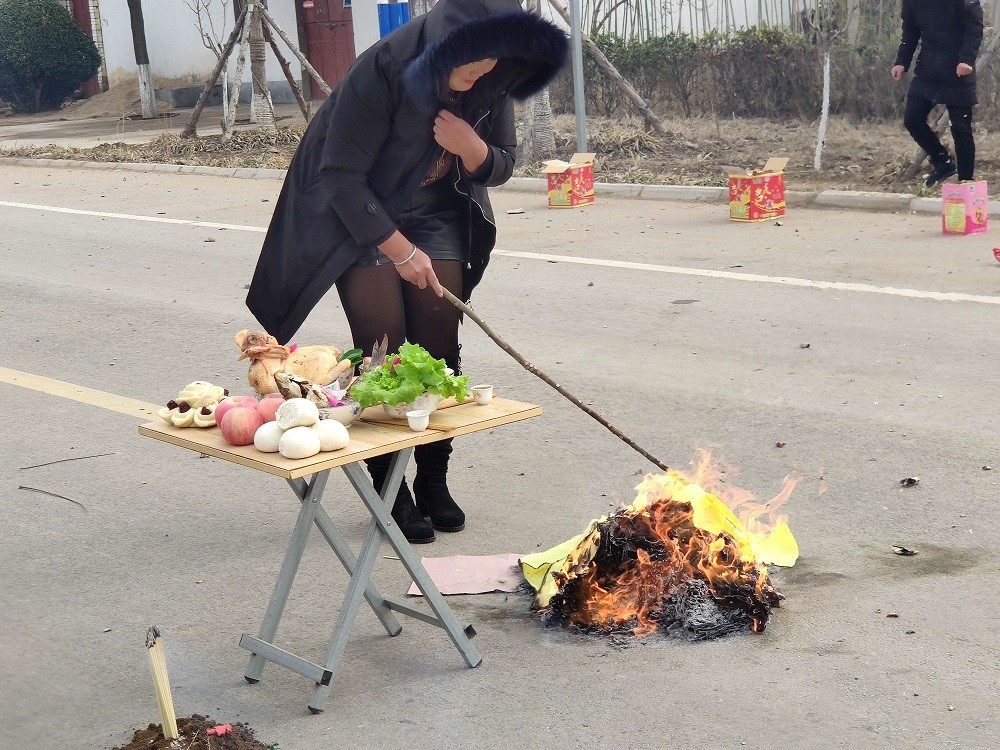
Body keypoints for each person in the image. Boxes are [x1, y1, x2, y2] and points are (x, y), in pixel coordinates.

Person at [245, 0, 568, 543]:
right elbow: (340, 175)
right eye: (470, 60)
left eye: (492, 59)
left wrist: (472, 150)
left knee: (438, 349)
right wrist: (397, 249)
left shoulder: (497, 68)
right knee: (384, 352)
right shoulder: (385, 67)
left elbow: (504, 161)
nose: (480, 72)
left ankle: (434, 482)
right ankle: (390, 489)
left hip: (439, 206)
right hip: (362, 211)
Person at [891, 0, 984, 187]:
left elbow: (974, 28)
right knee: (912, 119)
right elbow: (910, 30)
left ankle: (966, 182)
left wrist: (967, 59)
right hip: (928, 69)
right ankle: (943, 162)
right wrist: (902, 61)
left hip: (958, 69)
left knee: (960, 128)